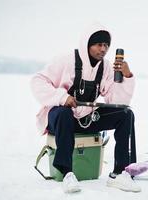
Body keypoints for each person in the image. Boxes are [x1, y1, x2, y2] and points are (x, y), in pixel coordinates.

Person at [30, 23, 141, 193]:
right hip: (59, 118)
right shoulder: (66, 60)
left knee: (126, 114)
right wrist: (62, 97)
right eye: (98, 44)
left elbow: (117, 101)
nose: (103, 49)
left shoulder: (105, 67)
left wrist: (127, 76)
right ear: (87, 44)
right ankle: (67, 173)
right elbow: (37, 81)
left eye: (106, 45)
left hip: (86, 117)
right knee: (64, 113)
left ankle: (120, 173)